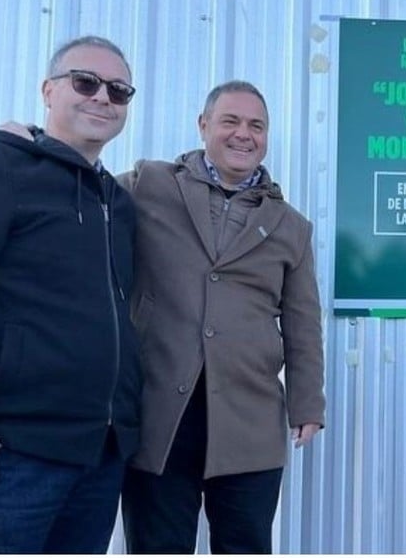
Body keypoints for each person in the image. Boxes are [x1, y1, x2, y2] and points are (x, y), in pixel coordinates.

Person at [117, 80, 326, 554]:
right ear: (204, 125)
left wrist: (308, 401)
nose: (243, 135)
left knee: (245, 545)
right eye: (230, 121)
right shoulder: (149, 184)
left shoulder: (291, 226)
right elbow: (88, 193)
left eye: (256, 125)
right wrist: (30, 142)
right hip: (160, 419)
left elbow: (302, 322)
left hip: (248, 421)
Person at [0, 36, 140, 553]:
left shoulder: (120, 203)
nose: (103, 97)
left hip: (100, 454)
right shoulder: (6, 167)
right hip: (19, 453)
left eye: (119, 90)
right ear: (49, 90)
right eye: (86, 82)